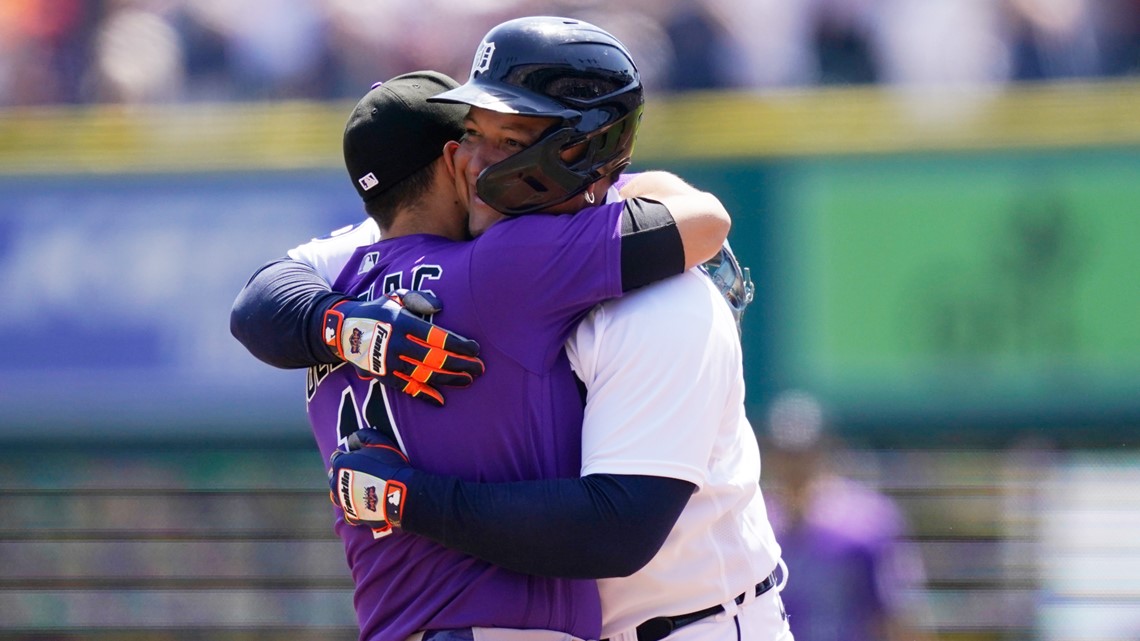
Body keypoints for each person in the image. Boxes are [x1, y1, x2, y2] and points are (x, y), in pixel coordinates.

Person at [233, 15, 789, 641]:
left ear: (584, 148)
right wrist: (341, 323)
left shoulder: (663, 297)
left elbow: (616, 530)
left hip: (698, 622)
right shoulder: (457, 239)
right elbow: (262, 297)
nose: (475, 160)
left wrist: (411, 498)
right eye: (472, 132)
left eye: (509, 135)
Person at [761, 391, 934, 641]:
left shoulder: (867, 521)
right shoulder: (757, 524)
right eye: (787, 454)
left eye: (803, 454)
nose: (795, 465)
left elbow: (899, 614)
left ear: (824, 450)